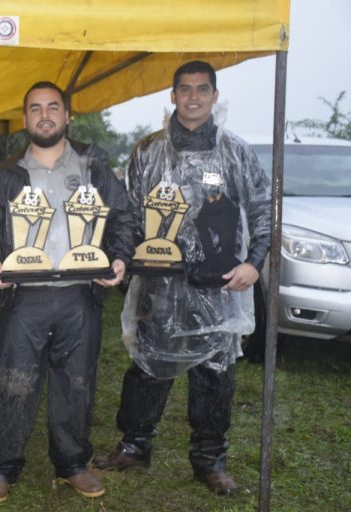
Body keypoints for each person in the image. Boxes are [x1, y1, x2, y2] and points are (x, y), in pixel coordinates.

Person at [93, 61, 272, 496]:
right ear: (172, 96)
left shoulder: (236, 152)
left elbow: (263, 208)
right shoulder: (148, 151)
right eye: (184, 89)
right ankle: (134, 445)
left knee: (215, 373)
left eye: (202, 89)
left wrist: (255, 262)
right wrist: (122, 259)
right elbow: (128, 214)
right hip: (160, 283)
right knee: (148, 366)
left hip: (220, 284)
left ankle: (210, 459)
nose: (193, 97)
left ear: (214, 95)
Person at [0, 81, 134, 504]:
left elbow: (122, 218)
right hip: (24, 296)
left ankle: (72, 465)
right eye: (34, 108)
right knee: (15, 384)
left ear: (67, 116)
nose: (44, 115)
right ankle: (1, 468)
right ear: (24, 118)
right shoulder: (5, 174)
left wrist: (118, 259)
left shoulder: (93, 167)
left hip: (79, 294)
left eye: (53, 107)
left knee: (76, 383)